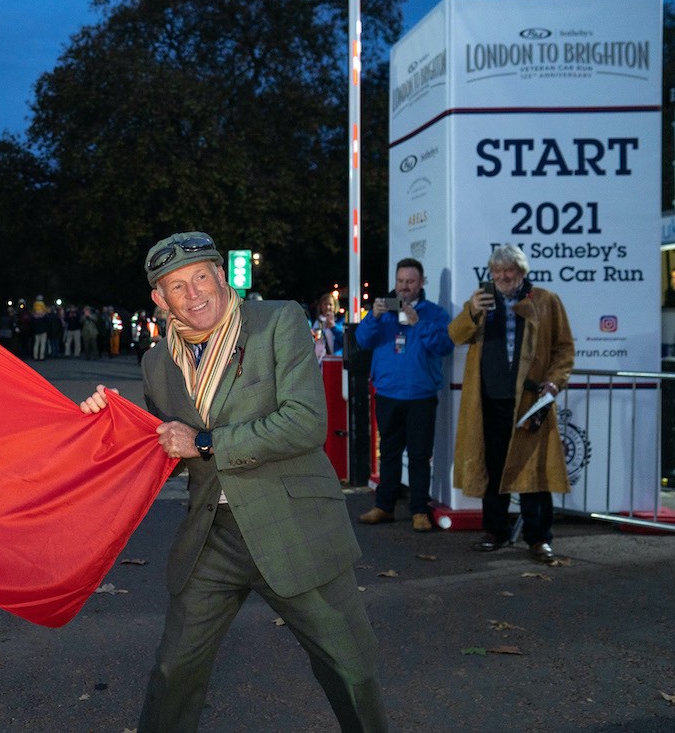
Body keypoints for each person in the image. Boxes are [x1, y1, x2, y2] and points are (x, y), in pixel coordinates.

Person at [79, 232, 387, 733]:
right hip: (211, 536)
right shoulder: (157, 363)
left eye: (201, 276)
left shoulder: (277, 322)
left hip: (291, 525)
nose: (193, 293)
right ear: (159, 299)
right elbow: (169, 454)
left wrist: (204, 442)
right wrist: (113, 422)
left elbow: (305, 422)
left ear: (222, 276)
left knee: (350, 669)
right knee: (173, 670)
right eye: (176, 286)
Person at [449, 243, 574, 564]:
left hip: (530, 403)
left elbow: (564, 348)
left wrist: (555, 381)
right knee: (492, 469)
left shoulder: (546, 301)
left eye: (510, 271)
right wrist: (473, 310)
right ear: (491, 274)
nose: (504, 276)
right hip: (488, 402)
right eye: (498, 271)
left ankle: (538, 539)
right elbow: (455, 335)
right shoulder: (479, 302)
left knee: (534, 473)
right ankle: (495, 531)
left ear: (522, 272)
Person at [355, 259, 454, 532]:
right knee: (388, 452)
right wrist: (373, 317)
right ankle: (384, 506)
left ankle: (419, 510)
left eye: (410, 281)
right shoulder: (384, 310)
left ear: (421, 283)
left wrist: (418, 322)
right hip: (387, 393)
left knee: (420, 456)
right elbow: (363, 340)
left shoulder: (434, 313)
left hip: (420, 395)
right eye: (400, 281)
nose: (404, 287)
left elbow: (444, 345)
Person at [311, 291, 344, 358]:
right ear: (321, 306)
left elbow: (343, 340)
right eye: (325, 304)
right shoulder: (317, 322)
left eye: (330, 304)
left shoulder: (339, 321)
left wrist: (333, 326)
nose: (327, 307)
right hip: (321, 360)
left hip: (336, 359)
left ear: (335, 306)